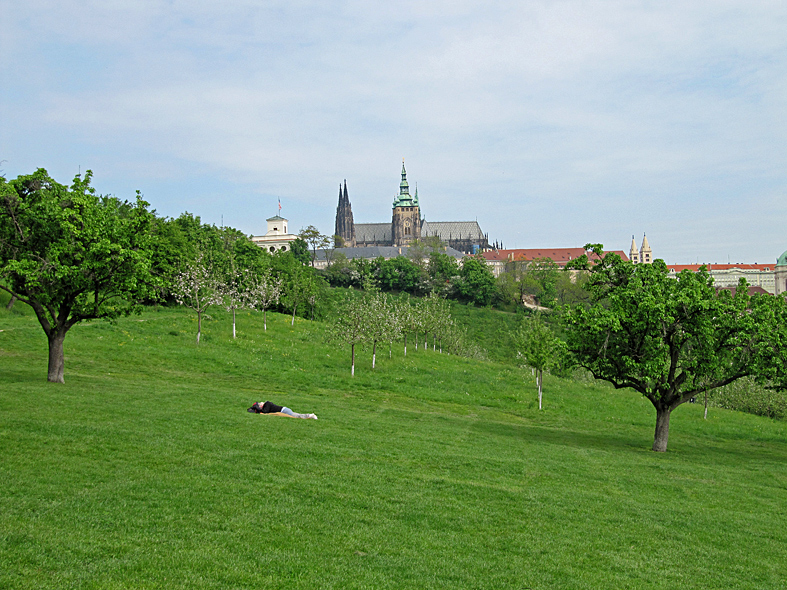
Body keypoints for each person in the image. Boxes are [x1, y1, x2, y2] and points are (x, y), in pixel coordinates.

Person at [247, 400, 317, 420]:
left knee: (296, 416)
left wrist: (257, 409)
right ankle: (309, 416)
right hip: (284, 410)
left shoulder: (267, 404)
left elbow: (265, 412)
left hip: (284, 410)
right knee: (296, 415)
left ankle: (310, 415)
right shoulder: (266, 405)